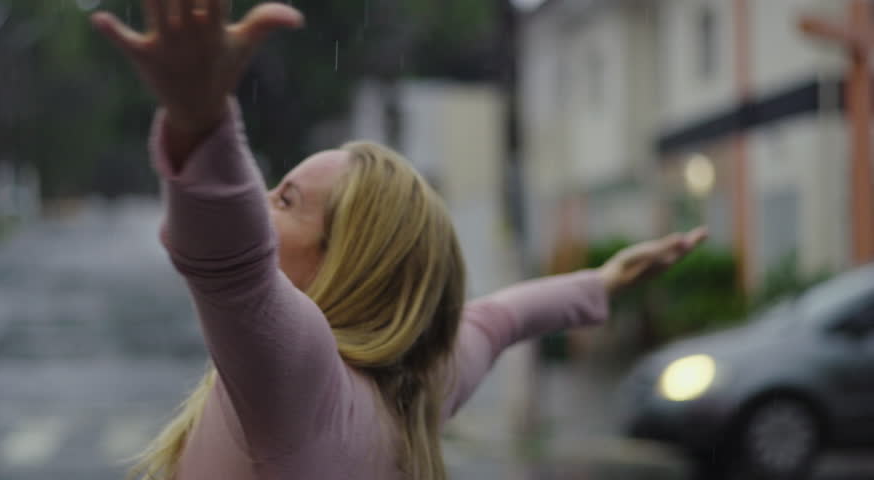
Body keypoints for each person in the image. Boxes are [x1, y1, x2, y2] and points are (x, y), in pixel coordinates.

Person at [90, 2, 707, 479]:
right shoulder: (417, 387)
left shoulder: (301, 378)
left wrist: (201, 122)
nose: (262, 202)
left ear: (350, 262)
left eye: (285, 201)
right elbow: (498, 321)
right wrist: (601, 282)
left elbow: (232, 261)